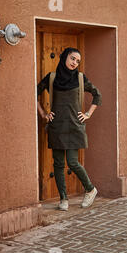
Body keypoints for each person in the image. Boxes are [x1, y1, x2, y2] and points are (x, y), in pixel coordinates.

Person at [37, 48, 102, 211]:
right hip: (57, 126)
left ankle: (90, 189)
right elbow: (34, 93)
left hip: (74, 126)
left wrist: (88, 114)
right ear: (65, 57)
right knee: (58, 164)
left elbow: (97, 95)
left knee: (72, 162)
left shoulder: (80, 78)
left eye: (78, 61)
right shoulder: (52, 78)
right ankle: (63, 199)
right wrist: (44, 114)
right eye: (72, 59)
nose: (74, 63)